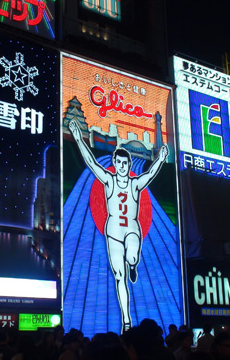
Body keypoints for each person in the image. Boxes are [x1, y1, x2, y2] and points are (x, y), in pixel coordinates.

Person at [69, 119, 169, 333]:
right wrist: (78, 138)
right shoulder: (109, 180)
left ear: (129, 165)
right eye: (119, 163)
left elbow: (150, 174)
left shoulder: (135, 184)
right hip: (113, 231)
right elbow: (91, 163)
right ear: (115, 163)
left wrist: (160, 159)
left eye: (125, 164)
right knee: (119, 277)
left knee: (132, 257)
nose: (122, 167)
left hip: (132, 229)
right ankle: (126, 319)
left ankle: (133, 264)